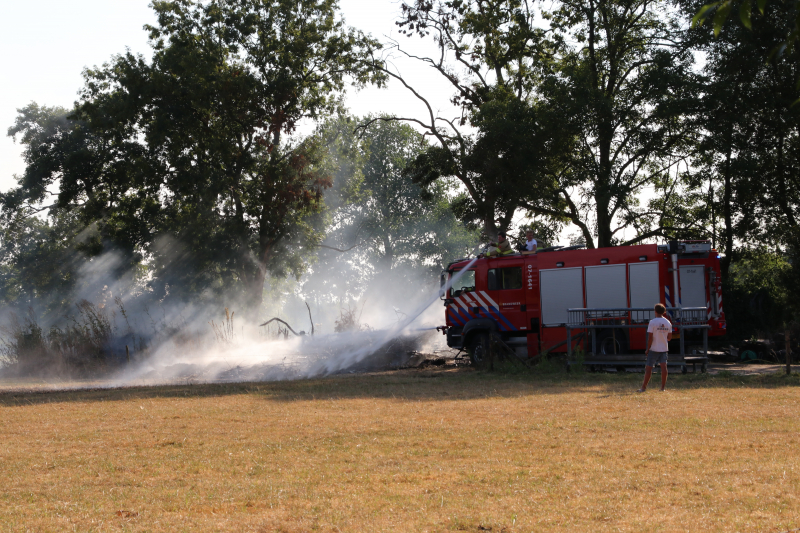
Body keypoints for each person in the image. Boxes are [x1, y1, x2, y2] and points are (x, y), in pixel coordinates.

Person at [638, 303, 672, 392]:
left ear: (655, 311)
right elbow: (669, 337)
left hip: (654, 348)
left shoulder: (652, 322)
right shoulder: (668, 322)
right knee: (664, 367)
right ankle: (662, 388)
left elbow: (650, 338)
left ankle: (643, 388)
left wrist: (647, 349)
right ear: (664, 312)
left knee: (648, 368)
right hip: (664, 348)